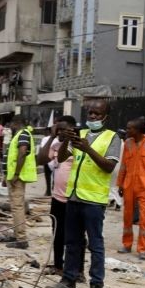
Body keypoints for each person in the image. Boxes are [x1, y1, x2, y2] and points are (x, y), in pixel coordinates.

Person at [50, 100, 121, 288]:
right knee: (72, 242)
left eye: (97, 114)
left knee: (95, 245)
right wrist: (66, 141)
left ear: (105, 117)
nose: (92, 117)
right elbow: (62, 158)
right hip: (73, 197)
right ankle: (68, 280)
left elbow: (109, 167)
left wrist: (89, 149)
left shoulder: (112, 138)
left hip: (93, 200)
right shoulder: (80, 135)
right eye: (90, 113)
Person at [37, 116, 85, 277]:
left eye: (64, 128)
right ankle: (59, 265)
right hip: (57, 198)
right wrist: (51, 137)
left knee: (76, 236)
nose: (61, 132)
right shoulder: (56, 145)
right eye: (59, 129)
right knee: (57, 232)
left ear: (72, 129)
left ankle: (78, 270)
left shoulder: (80, 145)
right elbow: (41, 159)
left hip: (74, 198)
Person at [117, 118, 145, 260]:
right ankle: (127, 244)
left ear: (139, 130)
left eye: (130, 128)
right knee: (127, 216)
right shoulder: (128, 143)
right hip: (129, 184)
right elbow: (123, 165)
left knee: (144, 217)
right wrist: (120, 184)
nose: (127, 130)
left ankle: (142, 249)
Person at [5, 115, 37, 249]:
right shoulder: (21, 134)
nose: (10, 127)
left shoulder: (23, 134)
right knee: (16, 206)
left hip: (18, 177)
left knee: (17, 207)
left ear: (16, 123)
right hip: (15, 175)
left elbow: (22, 153)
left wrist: (16, 174)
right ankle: (17, 233)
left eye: (11, 124)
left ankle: (21, 239)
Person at [39, 130, 53, 197]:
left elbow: (41, 149)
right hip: (54, 159)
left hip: (47, 159)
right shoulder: (57, 138)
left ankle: (48, 191)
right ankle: (52, 189)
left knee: (48, 177)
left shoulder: (45, 139)